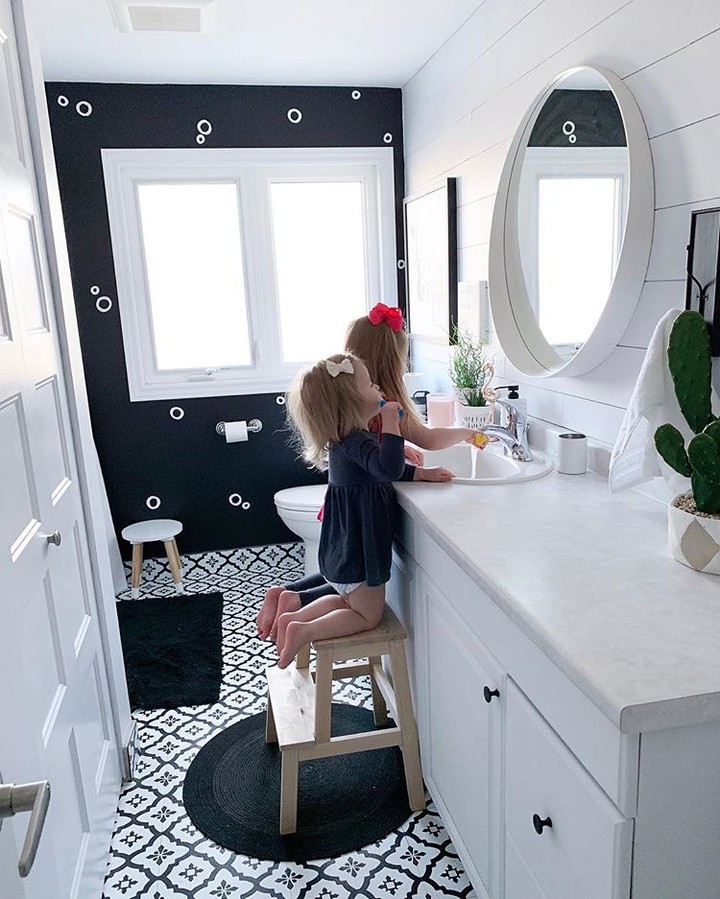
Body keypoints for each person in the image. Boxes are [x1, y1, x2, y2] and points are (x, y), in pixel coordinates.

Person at [256, 302, 485, 640]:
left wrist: (413, 469)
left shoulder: (347, 405)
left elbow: (378, 463)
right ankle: (300, 618)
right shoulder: (381, 403)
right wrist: (466, 433)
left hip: (344, 508)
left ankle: (292, 596)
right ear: (394, 360)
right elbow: (411, 450)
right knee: (359, 590)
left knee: (346, 578)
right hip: (362, 514)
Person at [274, 352, 452, 668]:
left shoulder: (349, 439)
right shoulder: (357, 440)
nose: (378, 388)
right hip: (360, 543)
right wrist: (392, 423)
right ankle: (304, 629)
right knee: (367, 615)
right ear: (351, 401)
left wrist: (419, 473)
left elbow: (380, 470)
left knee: (348, 602)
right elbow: (387, 468)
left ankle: (296, 618)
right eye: (369, 384)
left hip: (349, 539)